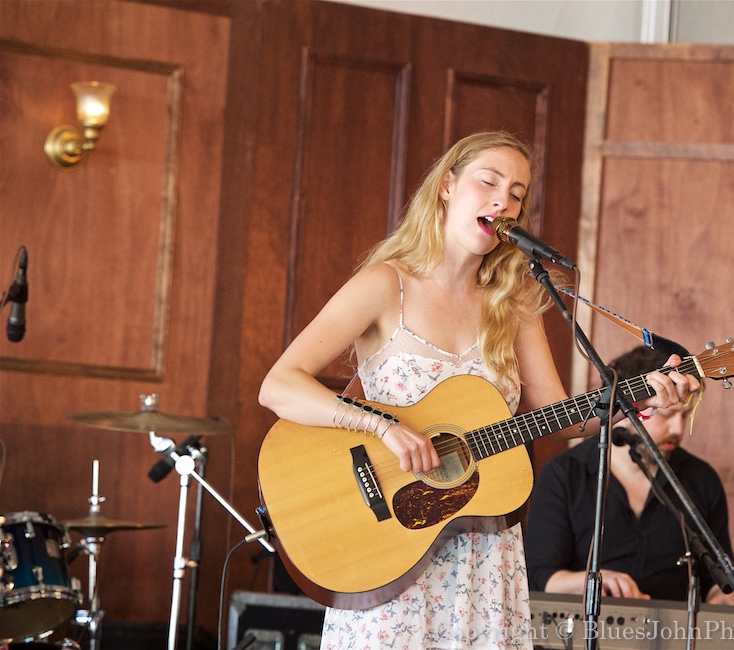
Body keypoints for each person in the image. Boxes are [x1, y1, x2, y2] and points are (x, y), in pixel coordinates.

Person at [258, 130, 701, 649]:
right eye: (488, 182)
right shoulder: (384, 284)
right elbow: (278, 386)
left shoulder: (513, 303)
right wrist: (381, 426)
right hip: (387, 545)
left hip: (482, 562)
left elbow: (564, 418)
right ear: (447, 186)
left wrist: (641, 396)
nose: (502, 201)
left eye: (516, 194)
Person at [524, 344, 734, 606]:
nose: (678, 429)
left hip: (674, 629)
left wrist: (724, 597)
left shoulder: (702, 479)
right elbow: (541, 578)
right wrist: (595, 580)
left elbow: (718, 578)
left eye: (685, 417)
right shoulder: (564, 474)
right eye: (668, 415)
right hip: (584, 625)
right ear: (627, 411)